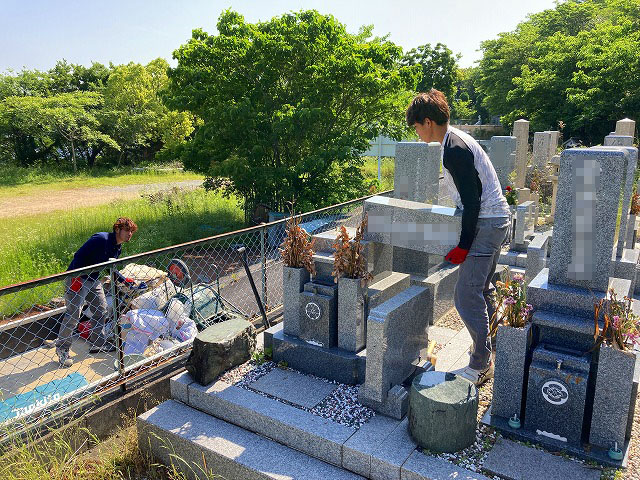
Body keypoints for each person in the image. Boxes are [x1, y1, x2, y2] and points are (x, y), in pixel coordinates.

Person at [406, 89, 511, 386]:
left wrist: (464, 245)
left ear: (427, 122)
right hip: (495, 220)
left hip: (487, 223)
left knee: (465, 296)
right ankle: (496, 348)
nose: (416, 132)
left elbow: (473, 202)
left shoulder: (454, 148)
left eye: (416, 126)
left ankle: (480, 364)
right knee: (482, 290)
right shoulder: (454, 141)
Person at [49, 217, 138, 368]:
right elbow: (78, 255)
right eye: (127, 230)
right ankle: (62, 349)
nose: (130, 234)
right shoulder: (100, 239)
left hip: (93, 279)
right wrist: (75, 277)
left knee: (101, 309)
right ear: (117, 229)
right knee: (74, 314)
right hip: (77, 278)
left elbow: (112, 267)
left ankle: (97, 342)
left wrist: (124, 280)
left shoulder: (117, 247)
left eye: (132, 232)